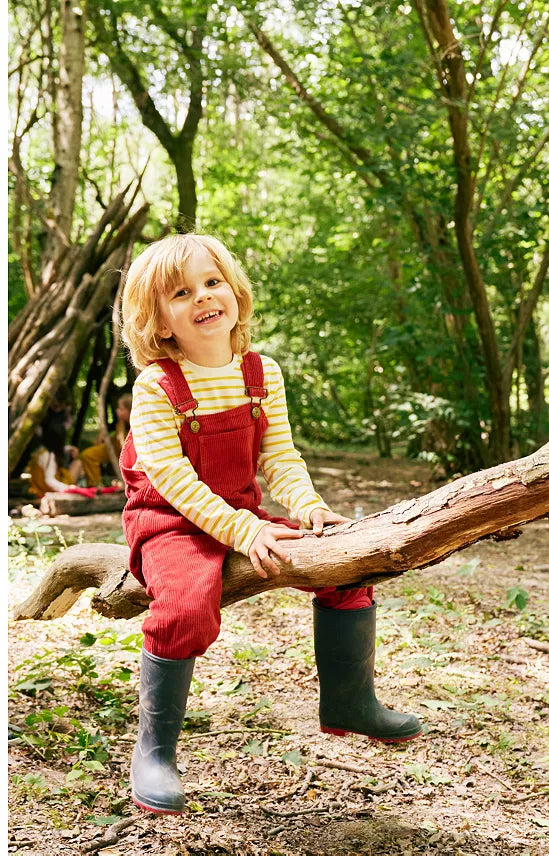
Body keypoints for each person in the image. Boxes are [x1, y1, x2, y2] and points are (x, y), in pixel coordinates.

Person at [119, 234, 420, 816]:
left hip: (239, 512)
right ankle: (154, 751)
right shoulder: (157, 386)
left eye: (213, 282)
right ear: (156, 320)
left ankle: (349, 701)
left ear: (235, 291)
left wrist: (307, 507)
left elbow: (279, 458)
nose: (204, 297)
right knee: (184, 603)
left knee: (345, 560)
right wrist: (243, 532)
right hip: (170, 520)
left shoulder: (262, 374)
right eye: (181, 293)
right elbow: (172, 478)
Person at [28, 390, 84, 497]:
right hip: (47, 490)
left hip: (41, 487)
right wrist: (70, 488)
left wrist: (68, 448)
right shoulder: (49, 456)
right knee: (78, 463)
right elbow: (49, 480)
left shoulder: (41, 450)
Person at [80, 393, 132, 487]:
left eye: (121, 409)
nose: (117, 411)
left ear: (130, 411)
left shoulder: (137, 425)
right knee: (88, 455)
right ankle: (95, 486)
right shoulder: (120, 423)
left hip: (127, 454)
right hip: (113, 447)